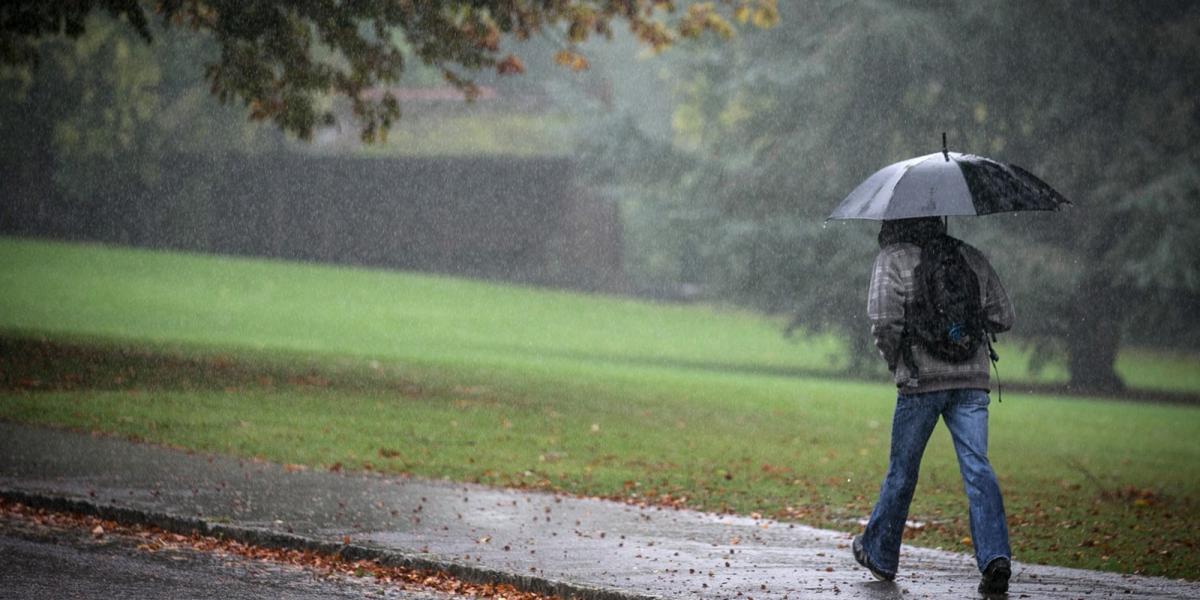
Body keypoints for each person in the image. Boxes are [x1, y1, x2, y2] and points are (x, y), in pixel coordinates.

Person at [851, 216, 1015, 595]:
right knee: (977, 466)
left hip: (920, 381)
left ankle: (879, 553)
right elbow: (1004, 317)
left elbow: (883, 320)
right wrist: (962, 328)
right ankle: (995, 557)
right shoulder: (970, 257)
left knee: (903, 471)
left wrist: (899, 359)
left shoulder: (892, 259)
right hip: (971, 382)